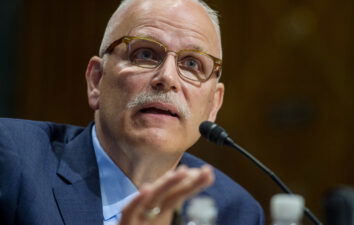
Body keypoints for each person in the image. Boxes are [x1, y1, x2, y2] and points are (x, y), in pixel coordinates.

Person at [0, 0, 264, 224]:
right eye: (146, 54)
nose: (167, 77)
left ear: (213, 104)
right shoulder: (12, 162)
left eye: (192, 63)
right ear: (96, 81)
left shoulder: (235, 212)